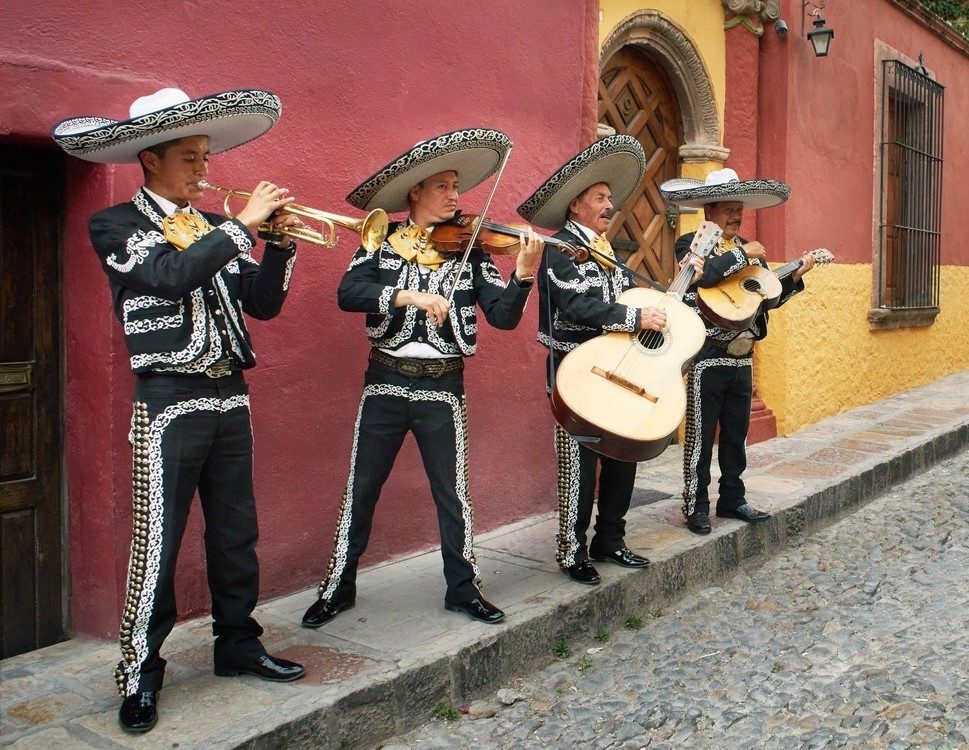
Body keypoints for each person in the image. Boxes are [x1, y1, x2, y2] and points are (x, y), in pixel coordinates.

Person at [52, 87, 306, 734]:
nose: (204, 169)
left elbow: (262, 305)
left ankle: (237, 646)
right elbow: (167, 277)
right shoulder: (115, 224)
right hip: (168, 400)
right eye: (190, 157)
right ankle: (139, 674)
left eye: (204, 156)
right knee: (157, 542)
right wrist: (241, 226)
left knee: (234, 533)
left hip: (227, 395)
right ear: (152, 160)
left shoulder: (210, 228)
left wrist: (276, 246)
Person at [301, 129, 543, 628]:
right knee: (362, 486)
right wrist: (404, 297)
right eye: (445, 186)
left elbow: (502, 317)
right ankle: (337, 587)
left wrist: (521, 275)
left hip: (442, 385)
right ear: (416, 192)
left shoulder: (473, 249)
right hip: (385, 381)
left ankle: (463, 587)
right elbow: (350, 292)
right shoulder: (381, 237)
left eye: (457, 187)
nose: (456, 196)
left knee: (452, 492)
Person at [516, 135, 703, 586]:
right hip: (577, 371)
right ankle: (571, 549)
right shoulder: (560, 249)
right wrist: (637, 315)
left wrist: (679, 285)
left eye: (609, 198)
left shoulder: (606, 252)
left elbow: (631, 299)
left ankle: (611, 538)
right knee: (578, 463)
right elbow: (578, 306)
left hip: (618, 368)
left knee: (624, 454)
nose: (609, 205)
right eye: (599, 198)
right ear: (575, 205)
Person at [660, 168, 816, 535]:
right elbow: (704, 276)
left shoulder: (752, 251)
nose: (736, 215)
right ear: (708, 210)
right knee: (699, 435)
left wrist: (794, 277)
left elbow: (764, 298)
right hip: (708, 356)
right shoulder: (691, 243)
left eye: (739, 208)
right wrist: (743, 254)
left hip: (743, 356)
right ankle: (696, 505)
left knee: (736, 434)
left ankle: (732, 497)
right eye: (729, 208)